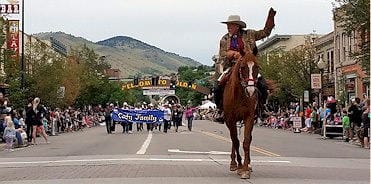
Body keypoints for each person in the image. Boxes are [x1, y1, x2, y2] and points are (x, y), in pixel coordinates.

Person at [214, 8, 276, 121]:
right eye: (228, 25)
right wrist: (233, 54)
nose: (228, 27)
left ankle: (263, 108)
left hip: (248, 66)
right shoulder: (225, 38)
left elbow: (264, 33)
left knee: (263, 85)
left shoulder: (249, 34)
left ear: (237, 26)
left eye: (230, 25)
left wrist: (270, 21)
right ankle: (221, 109)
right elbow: (222, 53)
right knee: (217, 86)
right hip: (231, 66)